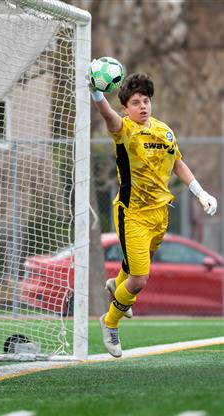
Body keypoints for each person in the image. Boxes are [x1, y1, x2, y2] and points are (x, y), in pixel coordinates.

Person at [87, 66, 217, 358]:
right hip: (132, 213)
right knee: (140, 279)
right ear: (126, 108)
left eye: (146, 100)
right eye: (136, 102)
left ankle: (116, 284)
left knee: (133, 272)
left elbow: (178, 163)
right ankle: (109, 322)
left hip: (160, 214)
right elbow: (107, 116)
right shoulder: (124, 130)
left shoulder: (164, 130)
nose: (142, 106)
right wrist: (96, 93)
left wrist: (201, 193)